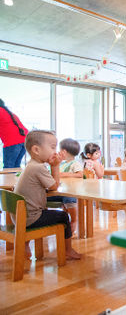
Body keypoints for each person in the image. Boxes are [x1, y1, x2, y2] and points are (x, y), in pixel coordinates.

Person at [13, 130, 81, 260]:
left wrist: (53, 165)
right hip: (30, 218)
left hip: (21, 216)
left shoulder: (31, 165)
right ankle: (68, 250)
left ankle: (25, 244)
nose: (55, 151)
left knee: (53, 209)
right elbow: (54, 186)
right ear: (36, 150)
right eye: (52, 147)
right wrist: (55, 165)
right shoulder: (38, 167)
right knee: (63, 216)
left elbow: (49, 186)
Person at [46, 138, 81, 234]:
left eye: (59, 150)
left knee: (69, 199)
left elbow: (80, 175)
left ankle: (74, 220)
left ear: (64, 151)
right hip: (62, 190)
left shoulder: (75, 163)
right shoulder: (63, 164)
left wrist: (63, 174)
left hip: (70, 191)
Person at [0, 99, 28, 168]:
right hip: (25, 140)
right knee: (16, 166)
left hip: (13, 142)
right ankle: (16, 179)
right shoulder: (9, 112)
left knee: (8, 167)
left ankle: (9, 179)